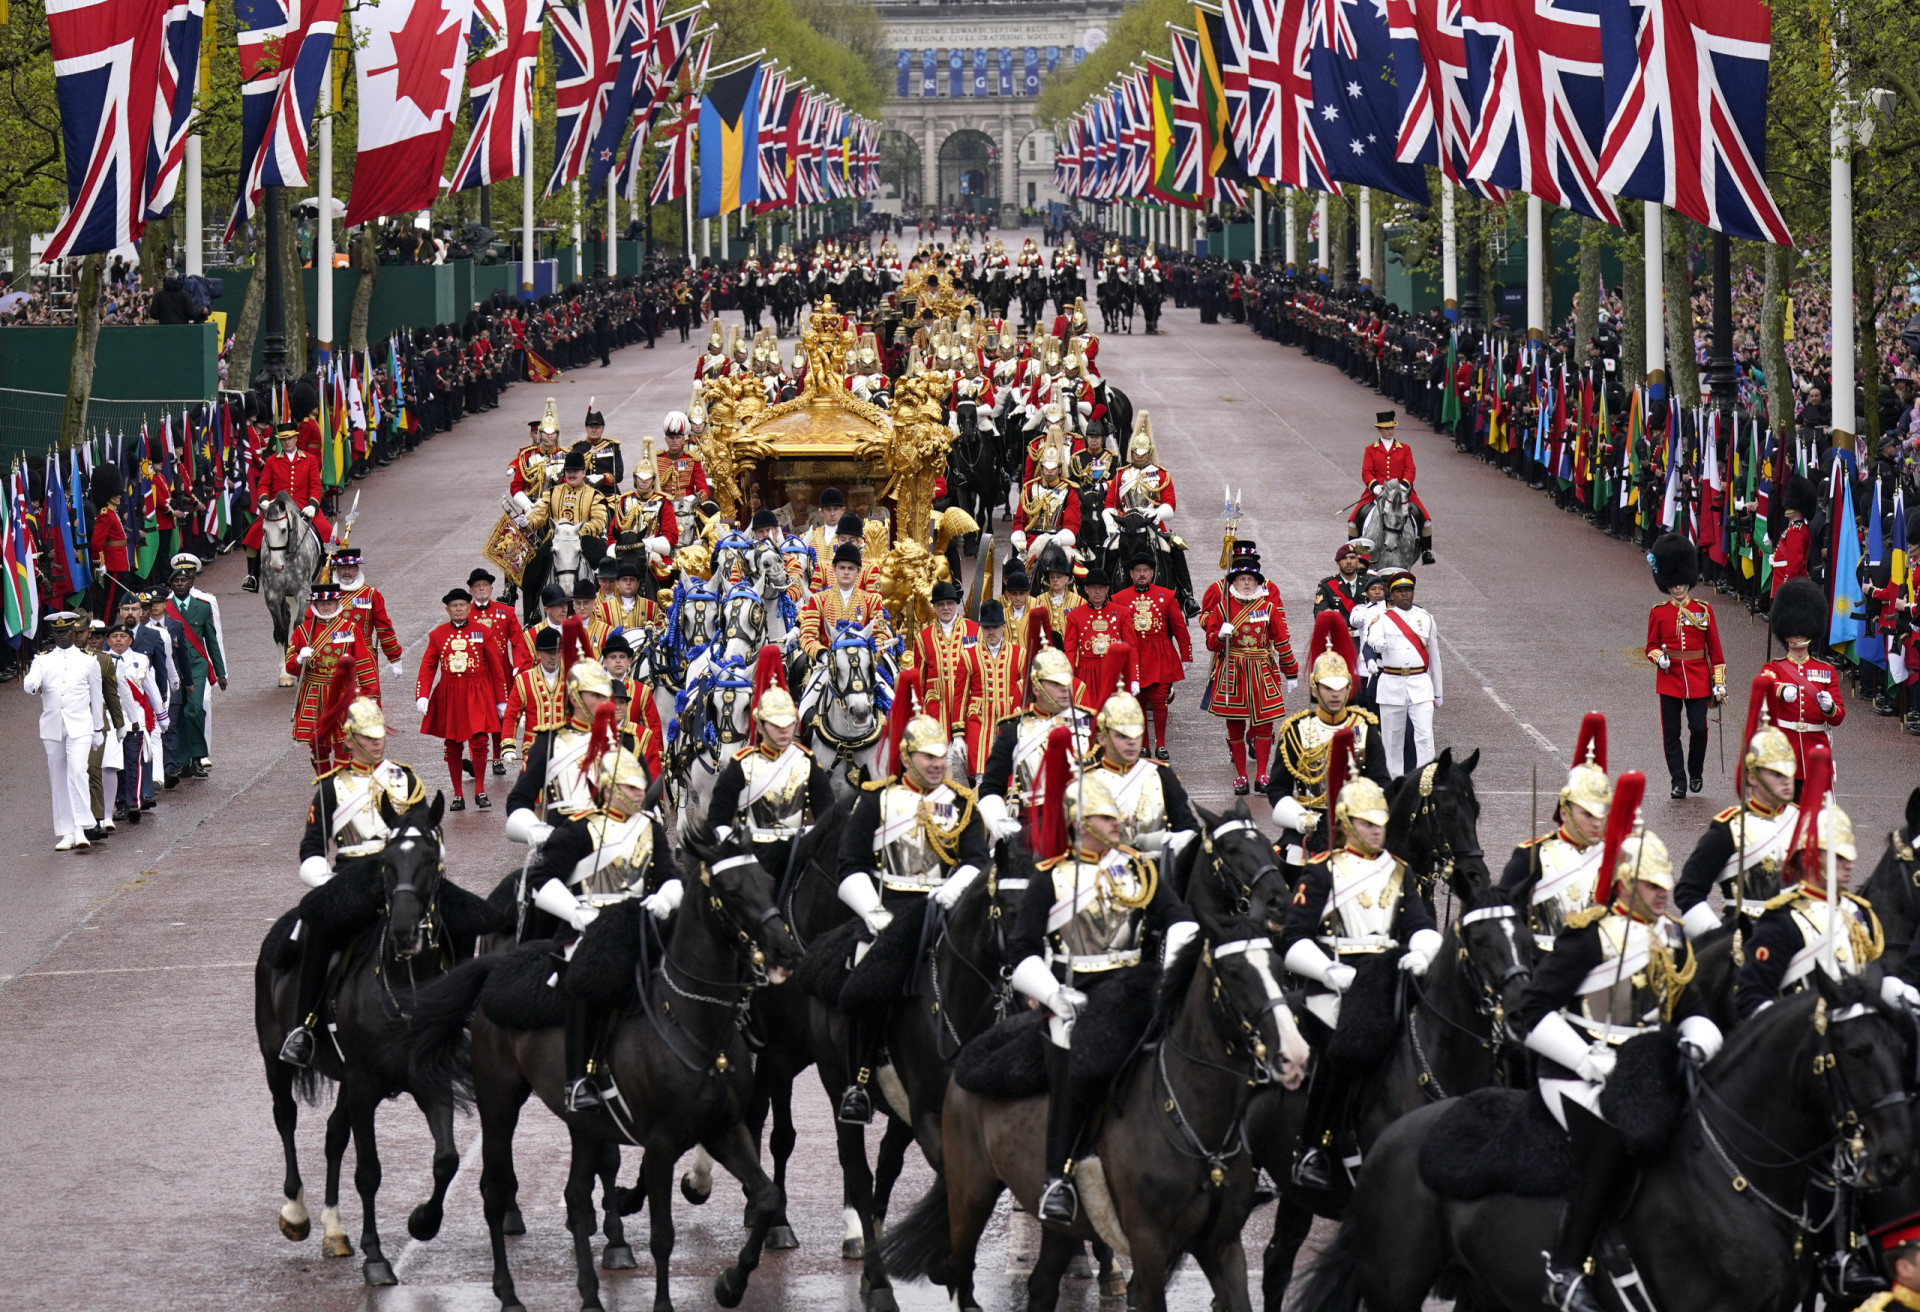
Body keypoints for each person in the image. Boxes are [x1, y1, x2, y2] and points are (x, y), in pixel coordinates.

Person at [1511, 776, 1719, 1312]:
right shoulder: (1587, 936)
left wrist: (1695, 1043)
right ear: (1625, 883)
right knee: (1607, 1144)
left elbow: (1692, 1008)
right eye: (1652, 885)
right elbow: (1530, 1010)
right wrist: (1588, 1059)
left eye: (1665, 883)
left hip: (1643, 1070)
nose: (1663, 892)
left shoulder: (1670, 938)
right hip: (1578, 1074)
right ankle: (1565, 1266)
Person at [1007, 742, 1196, 1224]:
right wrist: (1052, 993)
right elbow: (1022, 950)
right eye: (1110, 820)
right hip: (1077, 996)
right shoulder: (1051, 880)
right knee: (1073, 1070)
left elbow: (1178, 918)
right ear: (1082, 823)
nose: (1120, 827)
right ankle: (1058, 1176)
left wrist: (1171, 970)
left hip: (1134, 989)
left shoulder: (1138, 869)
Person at [833, 679, 991, 1124]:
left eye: (942, 755)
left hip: (947, 909)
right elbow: (851, 865)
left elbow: (977, 859)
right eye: (929, 756)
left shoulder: (961, 804)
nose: (939, 763)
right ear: (907, 756)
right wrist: (873, 911)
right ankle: (860, 1080)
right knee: (863, 975)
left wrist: (951, 891)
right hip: (890, 910)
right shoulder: (876, 800)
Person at [1280, 767, 1441, 1188]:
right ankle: (1313, 1146)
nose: (1377, 832)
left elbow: (1422, 925)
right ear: (1348, 824)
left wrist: (1421, 952)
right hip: (1335, 986)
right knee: (1342, 1052)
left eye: (1381, 824)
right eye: (1368, 824)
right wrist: (1330, 971)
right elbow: (1293, 938)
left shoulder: (1399, 871)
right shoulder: (1320, 872)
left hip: (1389, 980)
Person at [527, 736, 681, 1110]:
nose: (640, 794)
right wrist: (578, 914)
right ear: (608, 789)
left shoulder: (650, 828)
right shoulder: (579, 830)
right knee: (588, 979)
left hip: (640, 920)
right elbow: (542, 881)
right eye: (630, 787)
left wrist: (665, 897)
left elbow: (668, 874)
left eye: (642, 787)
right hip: (586, 925)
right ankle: (579, 1077)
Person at [280, 694, 426, 1067]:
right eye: (368, 735)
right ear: (350, 739)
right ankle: (306, 1025)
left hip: (403, 875)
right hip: (353, 878)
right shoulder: (331, 788)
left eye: (380, 734)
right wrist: (323, 879)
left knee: (455, 920)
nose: (377, 741)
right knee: (319, 932)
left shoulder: (405, 779)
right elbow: (313, 846)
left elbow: (426, 833)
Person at [1734, 743, 1882, 1018]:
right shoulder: (1781, 921)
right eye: (1838, 857)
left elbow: (1872, 976)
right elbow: (1752, 996)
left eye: (1848, 855)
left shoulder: (1859, 913)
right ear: (1812, 858)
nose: (1849, 864)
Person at [1674, 677, 1803, 940]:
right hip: (1745, 940)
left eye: (1789, 771)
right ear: (1752, 776)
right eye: (1776, 773)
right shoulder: (1728, 829)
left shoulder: (1803, 822)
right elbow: (1688, 890)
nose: (1787, 780)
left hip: (1797, 939)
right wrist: (1719, 941)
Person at [1267, 611, 1387, 871]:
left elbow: (1381, 782)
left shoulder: (1364, 727)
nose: (1335, 695)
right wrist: (1301, 819)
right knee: (1282, 871)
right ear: (1314, 689)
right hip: (1306, 826)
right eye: (1328, 688)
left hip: (1357, 824)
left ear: (1348, 688)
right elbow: (1278, 788)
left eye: (1340, 688)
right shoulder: (1295, 731)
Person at [705, 648, 834, 885]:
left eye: (789, 723)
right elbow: (717, 819)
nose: (785, 730)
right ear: (760, 725)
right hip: (752, 855)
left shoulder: (808, 763)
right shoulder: (740, 766)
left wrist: (810, 838)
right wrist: (733, 846)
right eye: (776, 724)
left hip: (797, 854)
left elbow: (828, 815)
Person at [1497, 714, 1613, 952]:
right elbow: (1503, 920)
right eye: (1588, 814)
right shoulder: (1530, 856)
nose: (1597, 823)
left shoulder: (1617, 856)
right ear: (1564, 812)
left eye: (1603, 814)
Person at [1200, 542, 1299, 796]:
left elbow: (1281, 640)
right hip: (1233, 670)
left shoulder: (1268, 607)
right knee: (1234, 724)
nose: (1246, 583)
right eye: (1242, 579)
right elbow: (1211, 642)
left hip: (1261, 670)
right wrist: (1221, 636)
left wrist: (1291, 671)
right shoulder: (1223, 607)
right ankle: (1242, 776)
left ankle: (1263, 774)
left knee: (1265, 725)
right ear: (1235, 581)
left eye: (1251, 579)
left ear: (1257, 582)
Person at [977, 645, 1094, 843]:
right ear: (1036, 687)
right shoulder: (1013, 730)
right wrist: (1001, 823)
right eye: (1056, 683)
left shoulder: (1090, 724)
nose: (1065, 688)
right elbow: (990, 787)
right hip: (1030, 829)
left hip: (1084, 829)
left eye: (1067, 681)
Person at [1644, 533, 1726, 800]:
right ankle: (1678, 780)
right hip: (1669, 678)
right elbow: (1650, 646)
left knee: (1699, 728)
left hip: (1699, 678)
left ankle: (1696, 772)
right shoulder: (1658, 612)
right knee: (1672, 733)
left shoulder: (1704, 610)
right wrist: (1660, 658)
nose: (1678, 588)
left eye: (1681, 583)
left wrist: (1719, 683)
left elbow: (1715, 651)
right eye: (1674, 584)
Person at [415, 588, 507, 812]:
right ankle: (457, 794)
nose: (458, 609)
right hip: (450, 694)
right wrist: (422, 694)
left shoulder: (483, 632)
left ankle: (480, 790)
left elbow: (496, 667)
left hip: (477, 693)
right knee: (453, 744)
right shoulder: (437, 635)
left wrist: (501, 699)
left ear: (469, 608)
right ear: (447, 610)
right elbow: (428, 666)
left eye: (462, 605)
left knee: (479, 741)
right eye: (454, 606)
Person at [1083, 691, 1198, 858]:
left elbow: (1189, 832)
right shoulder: (1086, 780)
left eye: (1136, 734)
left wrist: (1162, 840)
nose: (1131, 742)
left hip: (1154, 872)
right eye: (1122, 736)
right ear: (1101, 738)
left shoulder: (1161, 775)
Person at [25, 612, 105, 851]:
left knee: (78, 771)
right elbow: (33, 680)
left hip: (80, 726)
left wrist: (98, 729)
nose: (62, 635)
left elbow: (97, 698)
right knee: (58, 778)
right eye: (57, 632)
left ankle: (81, 827)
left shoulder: (88, 660)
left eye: (66, 631)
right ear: (53, 634)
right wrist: (30, 684)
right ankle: (66, 831)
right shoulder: (42, 659)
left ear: (75, 632)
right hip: (52, 726)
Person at [286, 582, 381, 776]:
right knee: (318, 743)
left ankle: (337, 787)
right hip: (314, 691)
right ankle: (324, 781)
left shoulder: (350, 629)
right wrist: (298, 658)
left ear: (337, 603)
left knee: (343, 741)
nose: (326, 607)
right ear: (315, 606)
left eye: (330, 602)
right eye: (322, 604)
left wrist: (371, 695)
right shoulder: (302, 631)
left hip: (343, 692)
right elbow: (290, 667)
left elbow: (363, 663)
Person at [1761, 577, 1845, 778]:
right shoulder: (1775, 667)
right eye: (1793, 632)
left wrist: (1829, 708)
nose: (1798, 635)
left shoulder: (1826, 671)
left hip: (1815, 749)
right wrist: (1781, 690)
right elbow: (1765, 685)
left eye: (1803, 632)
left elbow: (1838, 716)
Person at [1361, 569, 1441, 777]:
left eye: (1409, 590)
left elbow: (1435, 659)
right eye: (1400, 591)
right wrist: (1377, 643)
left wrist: (1438, 692)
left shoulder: (1427, 618)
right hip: (1392, 682)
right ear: (1392, 595)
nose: (1405, 594)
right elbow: (1373, 638)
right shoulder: (1381, 618)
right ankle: (1393, 783)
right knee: (1392, 738)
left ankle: (1425, 780)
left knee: (1424, 735)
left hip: (1420, 683)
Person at [242, 422, 332, 591]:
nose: (287, 442)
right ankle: (252, 576)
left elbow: (315, 486)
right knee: (253, 534)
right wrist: (265, 500)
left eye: (289, 438)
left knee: (327, 532)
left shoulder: (309, 459)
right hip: (278, 507)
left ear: (296, 438)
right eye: (283, 439)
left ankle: (329, 574)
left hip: (303, 505)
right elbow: (263, 485)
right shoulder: (271, 461)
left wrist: (312, 504)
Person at [1120, 552, 1192, 760]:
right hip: (1135, 655)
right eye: (1137, 571)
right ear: (1131, 574)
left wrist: (1186, 654)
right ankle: (1143, 744)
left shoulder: (1166, 595)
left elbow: (1179, 627)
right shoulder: (1119, 598)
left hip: (1160, 655)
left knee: (1160, 701)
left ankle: (1160, 743)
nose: (1142, 574)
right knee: (1138, 701)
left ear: (1152, 573)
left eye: (1145, 571)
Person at [163, 556, 227, 778]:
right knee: (179, 712)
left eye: (184, 580)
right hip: (174, 667)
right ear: (171, 585)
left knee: (194, 709)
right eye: (176, 581)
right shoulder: (164, 609)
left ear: (191, 582)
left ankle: (198, 757)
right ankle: (183, 761)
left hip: (197, 666)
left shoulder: (203, 606)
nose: (180, 584)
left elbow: (212, 641)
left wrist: (221, 672)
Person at [1348, 411, 1435, 563]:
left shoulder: (1405, 448)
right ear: (1379, 430)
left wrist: (1404, 485)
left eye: (1391, 428)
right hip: (1378, 491)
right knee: (1352, 520)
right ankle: (1354, 552)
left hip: (1402, 491)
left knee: (1426, 519)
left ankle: (1427, 551)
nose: (1389, 432)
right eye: (1386, 429)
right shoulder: (1371, 449)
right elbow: (1366, 471)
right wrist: (1374, 486)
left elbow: (1410, 470)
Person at [105, 618, 166, 823]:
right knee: (116, 764)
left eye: (123, 636)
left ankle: (132, 804)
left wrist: (161, 716)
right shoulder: (101, 661)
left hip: (135, 719)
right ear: (108, 641)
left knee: (133, 762)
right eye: (114, 637)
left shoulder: (141, 660)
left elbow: (151, 689)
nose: (119, 640)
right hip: (111, 720)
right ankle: (120, 803)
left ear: (130, 640)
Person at [959, 599, 1028, 776]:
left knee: (1011, 773)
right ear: (981, 628)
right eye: (986, 627)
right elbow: (960, 695)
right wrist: (958, 733)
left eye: (995, 627)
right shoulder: (968, 655)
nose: (991, 631)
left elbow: (1027, 692)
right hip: (979, 722)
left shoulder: (1019, 654)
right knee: (982, 774)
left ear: (1004, 627)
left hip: (1010, 720)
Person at [331, 547, 405, 699]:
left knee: (368, 701)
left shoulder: (372, 595)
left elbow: (384, 628)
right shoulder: (326, 598)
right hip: (332, 654)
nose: (346, 572)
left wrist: (394, 657)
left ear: (357, 569)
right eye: (342, 568)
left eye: (350, 568)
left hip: (363, 656)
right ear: (336, 569)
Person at [527, 445, 611, 575]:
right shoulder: (551, 492)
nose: (571, 475)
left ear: (583, 473)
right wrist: (527, 523)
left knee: (606, 569)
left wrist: (576, 531)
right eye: (569, 471)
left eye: (575, 471)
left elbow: (598, 522)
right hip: (556, 540)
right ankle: (515, 593)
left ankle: (604, 594)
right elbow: (540, 516)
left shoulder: (595, 495)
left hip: (585, 540)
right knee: (533, 569)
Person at [797, 543, 890, 660]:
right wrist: (823, 655)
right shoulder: (818, 599)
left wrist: (868, 655)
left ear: (859, 571)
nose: (846, 572)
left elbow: (881, 635)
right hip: (826, 662)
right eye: (842, 567)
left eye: (851, 568)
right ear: (834, 569)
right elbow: (807, 635)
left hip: (862, 662)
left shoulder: (872, 600)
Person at [913, 579, 979, 739]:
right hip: (936, 708)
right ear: (934, 607)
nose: (946, 608)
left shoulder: (974, 630)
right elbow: (919, 680)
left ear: (956, 604)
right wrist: (920, 712)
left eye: (949, 603)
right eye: (941, 604)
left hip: (967, 706)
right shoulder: (923, 637)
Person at [502, 625, 568, 763]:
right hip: (533, 748)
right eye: (548, 652)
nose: (553, 657)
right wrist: (508, 745)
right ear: (538, 654)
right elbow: (512, 714)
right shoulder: (524, 680)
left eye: (556, 652)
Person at [1768, 474, 1816, 600]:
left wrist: (1787, 588)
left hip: (1787, 583)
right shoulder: (1795, 528)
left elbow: (1794, 565)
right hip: (1782, 579)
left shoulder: (1796, 531)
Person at [1313, 540, 1372, 619]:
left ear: (1357, 561)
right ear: (1337, 562)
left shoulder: (1368, 584)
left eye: (1352, 558)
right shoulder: (1326, 586)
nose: (1348, 562)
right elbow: (1320, 612)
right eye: (1344, 558)